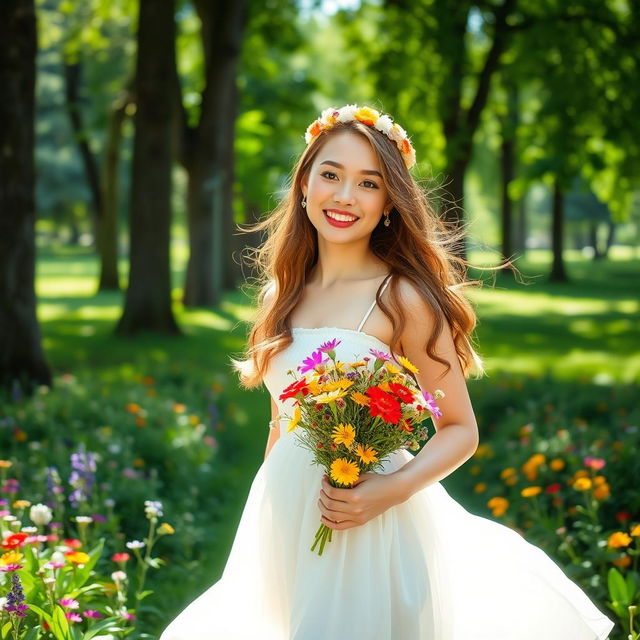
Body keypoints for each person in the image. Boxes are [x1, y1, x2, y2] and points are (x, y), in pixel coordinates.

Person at [160, 105, 615, 639]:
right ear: (304, 184)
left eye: (368, 183)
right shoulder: (279, 296)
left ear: (388, 204)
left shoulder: (401, 298)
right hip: (289, 519)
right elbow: (281, 423)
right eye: (330, 174)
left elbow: (460, 430)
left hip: (375, 520)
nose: (345, 196)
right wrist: (271, 522)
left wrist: (388, 490)